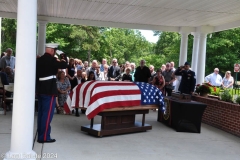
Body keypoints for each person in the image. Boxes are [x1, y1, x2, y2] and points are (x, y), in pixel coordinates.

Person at [36, 43, 67, 143]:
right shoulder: (52, 60)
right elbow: (64, 64)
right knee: (47, 114)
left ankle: (41, 135)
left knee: (41, 114)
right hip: (49, 90)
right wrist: (63, 54)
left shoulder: (39, 59)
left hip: (41, 89)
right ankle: (44, 137)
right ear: (53, 51)